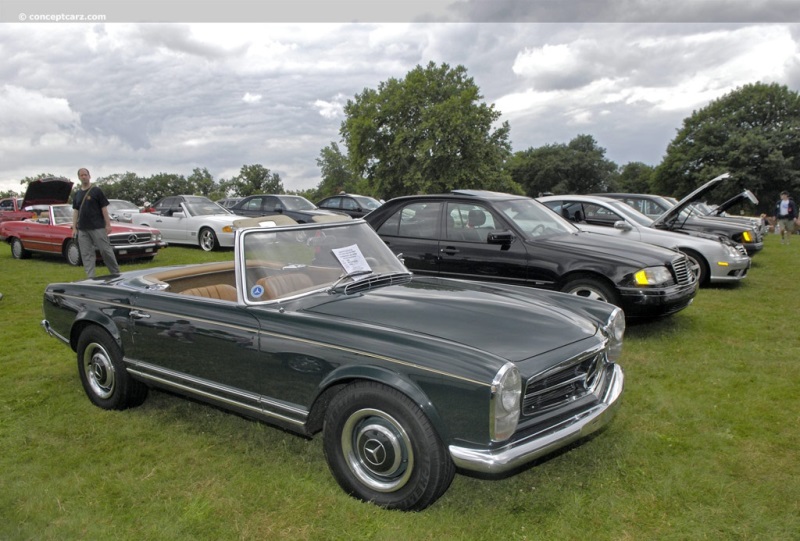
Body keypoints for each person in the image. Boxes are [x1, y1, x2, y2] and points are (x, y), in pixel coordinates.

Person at [72, 168, 120, 277]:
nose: (84, 177)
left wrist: (108, 224)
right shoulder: (78, 194)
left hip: (97, 227)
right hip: (83, 229)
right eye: (81, 175)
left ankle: (116, 274)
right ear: (79, 177)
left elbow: (104, 208)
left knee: (105, 251)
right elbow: (75, 211)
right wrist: (74, 227)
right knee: (87, 254)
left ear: (89, 176)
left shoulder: (96, 191)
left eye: (85, 175)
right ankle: (90, 278)